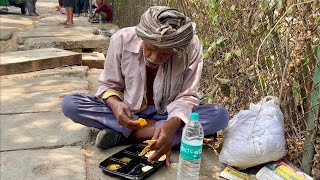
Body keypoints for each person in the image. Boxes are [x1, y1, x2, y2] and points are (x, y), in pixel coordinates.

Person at [62, 6, 229, 165]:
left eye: (165, 53)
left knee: (219, 115)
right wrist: (115, 105)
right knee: (71, 104)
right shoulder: (121, 39)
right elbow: (109, 85)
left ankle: (126, 136)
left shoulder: (190, 47)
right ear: (141, 38)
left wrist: (172, 124)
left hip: (167, 114)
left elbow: (187, 95)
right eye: (150, 49)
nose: (155, 58)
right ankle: (161, 137)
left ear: (176, 48)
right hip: (130, 115)